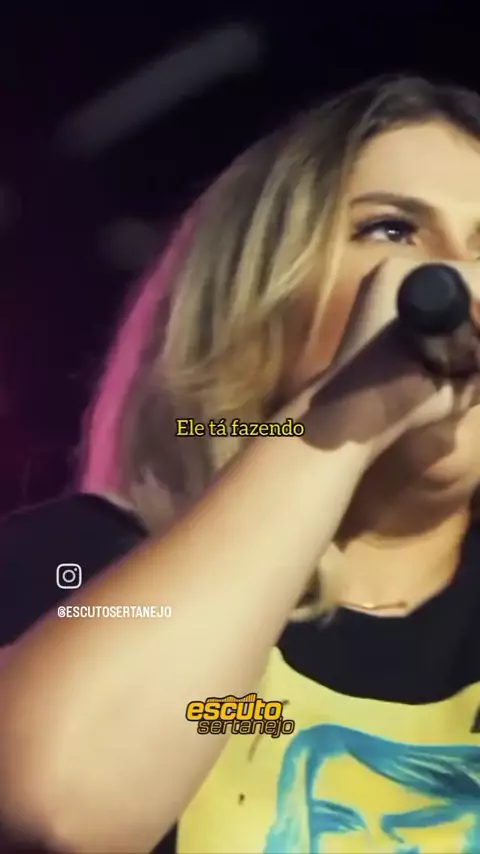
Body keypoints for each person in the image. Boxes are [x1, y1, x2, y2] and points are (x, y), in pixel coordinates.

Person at [0, 73, 480, 854]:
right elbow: (58, 808)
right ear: (253, 293)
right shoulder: (76, 564)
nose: (461, 278)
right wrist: (338, 424)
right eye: (391, 230)